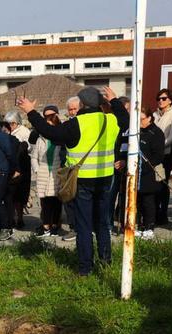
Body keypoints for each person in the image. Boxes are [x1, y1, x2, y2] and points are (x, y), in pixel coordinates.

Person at [19, 86, 128, 276]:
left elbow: (49, 132)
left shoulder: (75, 123)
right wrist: (115, 100)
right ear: (101, 102)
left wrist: (30, 111)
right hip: (105, 178)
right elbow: (126, 120)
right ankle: (106, 262)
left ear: (82, 104)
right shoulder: (111, 120)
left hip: (82, 180)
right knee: (102, 222)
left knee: (84, 226)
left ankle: (86, 268)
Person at [29, 106, 67, 237]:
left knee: (56, 201)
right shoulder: (40, 139)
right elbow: (34, 157)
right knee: (45, 202)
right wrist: (37, 170)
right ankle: (46, 227)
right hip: (43, 174)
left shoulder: (61, 139)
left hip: (57, 174)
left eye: (50, 123)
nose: (48, 128)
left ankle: (55, 226)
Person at [136, 108, 167, 239]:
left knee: (148, 201)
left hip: (149, 172)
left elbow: (158, 155)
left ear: (149, 118)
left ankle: (150, 227)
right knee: (138, 201)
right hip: (137, 171)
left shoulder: (156, 133)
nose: (140, 122)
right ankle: (140, 225)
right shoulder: (138, 132)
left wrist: (146, 166)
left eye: (142, 119)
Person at [153, 88, 172, 226]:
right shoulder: (155, 115)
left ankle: (163, 215)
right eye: (159, 98)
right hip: (153, 154)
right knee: (154, 184)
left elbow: (171, 137)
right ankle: (154, 213)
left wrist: (160, 147)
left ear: (170, 100)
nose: (161, 101)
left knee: (163, 184)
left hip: (165, 154)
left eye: (164, 98)